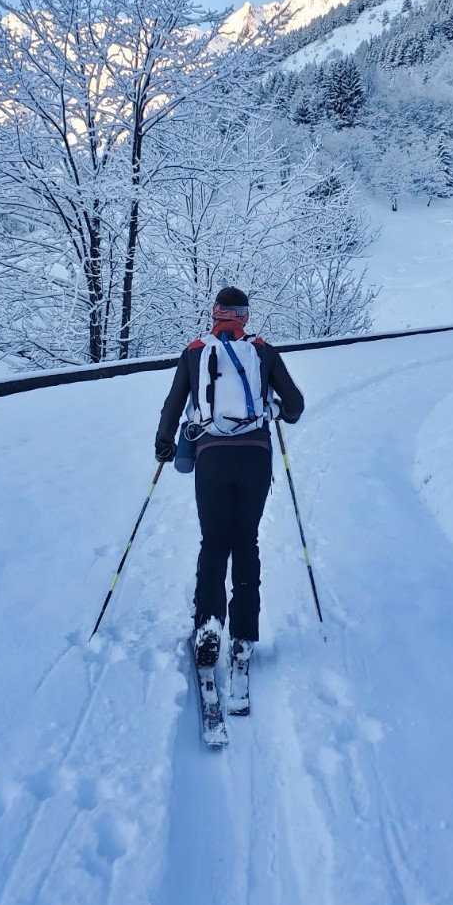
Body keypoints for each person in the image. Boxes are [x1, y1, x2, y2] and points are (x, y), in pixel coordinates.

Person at [154, 287, 304, 682]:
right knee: (245, 542)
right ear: (245, 317)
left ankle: (208, 625)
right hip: (255, 457)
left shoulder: (195, 352)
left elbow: (173, 404)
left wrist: (165, 442)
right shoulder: (263, 351)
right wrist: (275, 410)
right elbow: (295, 406)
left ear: (215, 313)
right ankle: (244, 636)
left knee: (214, 543)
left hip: (212, 458)